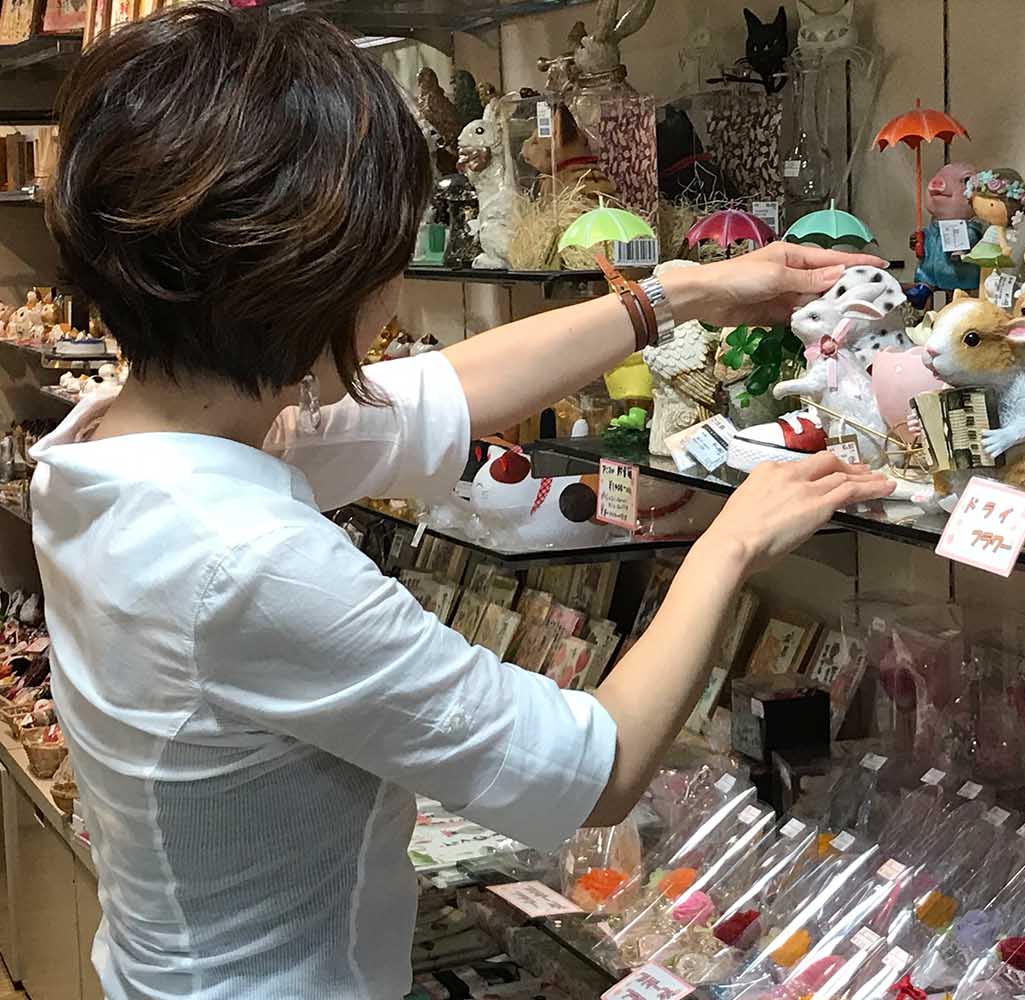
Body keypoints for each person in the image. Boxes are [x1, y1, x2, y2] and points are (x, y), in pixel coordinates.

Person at [30, 8, 894, 999]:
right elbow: (600, 767)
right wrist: (729, 541)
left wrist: (677, 296)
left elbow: (445, 390)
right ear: (322, 278)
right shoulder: (249, 562)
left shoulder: (111, 444)